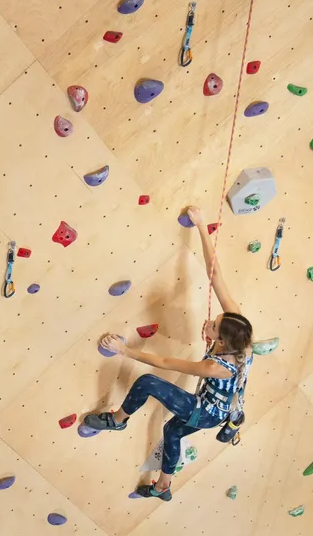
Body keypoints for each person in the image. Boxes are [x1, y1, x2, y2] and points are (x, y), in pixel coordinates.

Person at [82, 206, 251, 501]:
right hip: (222, 408)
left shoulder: (216, 367)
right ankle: (162, 487)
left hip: (207, 412)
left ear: (222, 344)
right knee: (172, 432)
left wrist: (124, 349)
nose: (210, 323)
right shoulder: (240, 334)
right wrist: (199, 226)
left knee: (148, 383)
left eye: (214, 327)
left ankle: (118, 420)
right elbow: (217, 275)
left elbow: (164, 362)